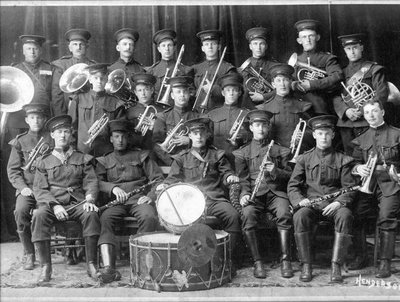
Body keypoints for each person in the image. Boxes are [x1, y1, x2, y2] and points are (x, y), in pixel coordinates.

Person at [157, 117, 242, 269]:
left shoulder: (217, 155)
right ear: (189, 135)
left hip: (214, 199)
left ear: (207, 135)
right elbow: (172, 179)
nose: (199, 136)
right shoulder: (181, 158)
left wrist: (229, 176)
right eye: (195, 133)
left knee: (233, 216)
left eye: (202, 133)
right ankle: (192, 261)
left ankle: (227, 259)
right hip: (190, 203)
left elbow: (226, 172)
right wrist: (164, 184)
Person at [287, 115, 357, 283]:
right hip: (311, 205)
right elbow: (293, 186)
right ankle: (306, 264)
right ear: (314, 135)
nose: (323, 137)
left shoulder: (344, 159)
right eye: (320, 133)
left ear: (333, 135)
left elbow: (350, 188)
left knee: (345, 215)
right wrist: (299, 200)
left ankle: (336, 266)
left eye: (327, 133)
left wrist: (338, 202)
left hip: (334, 205)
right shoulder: (304, 158)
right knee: (299, 216)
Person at [31, 115, 101, 283]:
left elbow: (91, 182)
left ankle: (91, 264)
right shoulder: (43, 161)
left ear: (71, 135)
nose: (62, 136)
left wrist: (90, 200)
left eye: (66, 132)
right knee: (38, 215)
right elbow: (39, 188)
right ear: (52, 135)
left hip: (77, 202)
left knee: (91, 215)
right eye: (59, 132)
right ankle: (45, 267)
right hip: (51, 204)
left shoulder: (82, 158)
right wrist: (55, 206)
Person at [95, 119, 164, 283]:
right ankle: (108, 267)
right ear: (111, 139)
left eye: (123, 137)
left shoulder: (142, 155)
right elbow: (97, 181)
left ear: (129, 138)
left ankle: (142, 264)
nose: (120, 140)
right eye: (116, 136)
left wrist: (150, 196)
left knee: (149, 217)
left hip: (138, 200)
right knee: (105, 218)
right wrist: (112, 188)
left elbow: (158, 179)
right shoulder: (104, 160)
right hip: (115, 203)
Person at [233, 110, 294, 279]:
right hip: (254, 194)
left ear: (268, 127)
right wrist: (244, 194)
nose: (260, 129)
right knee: (248, 214)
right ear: (251, 127)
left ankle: (286, 261)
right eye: (257, 125)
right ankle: (257, 262)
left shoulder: (281, 150)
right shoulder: (241, 153)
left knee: (284, 213)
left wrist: (276, 171)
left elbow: (291, 176)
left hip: (276, 193)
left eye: (264, 125)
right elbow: (243, 179)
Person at [350, 100, 400, 277]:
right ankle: (361, 256)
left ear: (383, 112)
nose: (371, 115)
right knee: (355, 214)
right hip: (368, 185)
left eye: (375, 111)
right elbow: (353, 164)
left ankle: (384, 262)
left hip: (391, 184)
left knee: (386, 217)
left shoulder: (397, 134)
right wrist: (358, 168)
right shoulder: (360, 138)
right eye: (367, 113)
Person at [7, 104, 52, 270]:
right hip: (28, 188)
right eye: (32, 117)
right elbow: (13, 170)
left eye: (39, 117)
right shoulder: (20, 141)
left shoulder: (52, 138)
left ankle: (62, 253)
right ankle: (29, 253)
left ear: (44, 119)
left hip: (49, 188)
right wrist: (22, 187)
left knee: (51, 212)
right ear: (26, 120)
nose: (36, 120)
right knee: (20, 211)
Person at [333, 33, 389, 155]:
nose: (352, 52)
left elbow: (381, 93)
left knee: (371, 155)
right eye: (348, 49)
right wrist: (346, 110)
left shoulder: (373, 69)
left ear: (361, 48)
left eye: (355, 47)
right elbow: (336, 96)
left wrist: (364, 110)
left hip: (367, 120)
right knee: (350, 158)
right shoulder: (340, 73)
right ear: (344, 51)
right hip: (347, 123)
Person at [68, 63, 126, 157]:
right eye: (95, 78)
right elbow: (71, 127)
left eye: (102, 78)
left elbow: (119, 131)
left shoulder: (116, 103)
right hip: (82, 151)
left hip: (107, 153)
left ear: (107, 79)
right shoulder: (78, 99)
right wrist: (72, 149)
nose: (99, 81)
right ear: (90, 79)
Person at [290, 19, 343, 115]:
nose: (308, 40)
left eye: (311, 36)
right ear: (299, 40)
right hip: (299, 107)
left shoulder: (327, 58)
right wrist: (293, 84)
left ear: (317, 37)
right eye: (304, 37)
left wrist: (312, 84)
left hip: (322, 107)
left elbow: (337, 76)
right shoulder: (296, 60)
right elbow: (289, 80)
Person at [259, 63, 313, 151]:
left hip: (299, 153)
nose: (282, 84)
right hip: (274, 155)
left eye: (285, 80)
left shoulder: (303, 106)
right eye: (278, 80)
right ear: (273, 84)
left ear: (290, 82)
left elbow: (313, 131)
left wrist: (303, 135)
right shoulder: (264, 108)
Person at [8, 35, 52, 138]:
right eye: (28, 49)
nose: (32, 52)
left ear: (40, 50)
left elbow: (55, 95)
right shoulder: (15, 69)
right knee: (18, 146)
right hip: (19, 117)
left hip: (42, 117)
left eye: (35, 48)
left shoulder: (51, 68)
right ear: (23, 51)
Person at [204, 73, 251, 166]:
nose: (231, 93)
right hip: (218, 161)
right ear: (222, 93)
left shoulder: (247, 114)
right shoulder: (212, 114)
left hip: (241, 161)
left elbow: (253, 139)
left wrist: (244, 136)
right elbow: (207, 139)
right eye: (228, 90)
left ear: (240, 93)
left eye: (235, 90)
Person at [152, 76, 199, 165]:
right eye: (178, 92)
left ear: (189, 94)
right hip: (171, 163)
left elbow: (206, 142)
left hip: (194, 162)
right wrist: (173, 163)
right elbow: (157, 146)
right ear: (172, 95)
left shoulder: (198, 117)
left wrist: (190, 141)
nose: (182, 95)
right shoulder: (163, 116)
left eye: (185, 91)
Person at [51, 29, 96, 116]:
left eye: (81, 44)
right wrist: (61, 116)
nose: (78, 47)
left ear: (87, 46)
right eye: (75, 44)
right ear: (70, 48)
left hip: (89, 110)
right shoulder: (61, 65)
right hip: (67, 110)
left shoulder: (93, 66)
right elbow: (57, 94)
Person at [191, 30, 236, 110]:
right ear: (202, 48)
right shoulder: (195, 68)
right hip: (198, 112)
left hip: (219, 112)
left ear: (219, 47)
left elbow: (232, 92)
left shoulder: (228, 68)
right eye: (206, 44)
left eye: (213, 44)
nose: (210, 47)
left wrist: (213, 89)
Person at [239, 27, 280, 109]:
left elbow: (282, 89)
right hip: (247, 108)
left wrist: (263, 96)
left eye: (261, 44)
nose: (258, 47)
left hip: (270, 107)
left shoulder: (275, 66)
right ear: (250, 46)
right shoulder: (242, 69)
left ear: (266, 46)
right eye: (255, 44)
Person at [147, 29, 191, 102]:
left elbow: (190, 93)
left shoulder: (185, 70)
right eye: (163, 46)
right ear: (159, 49)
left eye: (169, 45)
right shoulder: (151, 71)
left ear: (174, 48)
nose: (167, 49)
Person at [127, 73, 166, 150]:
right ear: (135, 92)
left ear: (152, 90)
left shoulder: (161, 111)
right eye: (140, 90)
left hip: (156, 150)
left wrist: (155, 125)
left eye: (146, 89)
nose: (143, 93)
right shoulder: (129, 111)